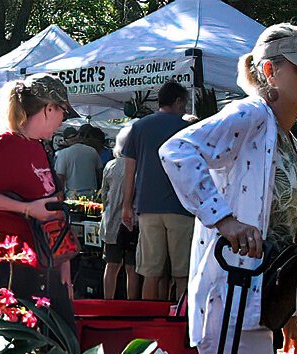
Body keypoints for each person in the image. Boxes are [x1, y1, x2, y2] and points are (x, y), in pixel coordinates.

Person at [160, 24, 297, 354]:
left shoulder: (286, 139)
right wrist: (225, 220)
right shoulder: (252, 114)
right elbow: (177, 150)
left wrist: (286, 309)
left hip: (255, 303)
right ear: (270, 71)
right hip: (231, 297)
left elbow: (282, 231)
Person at [0, 73, 80, 324]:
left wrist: (63, 260)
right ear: (49, 109)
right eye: (62, 113)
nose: (62, 121)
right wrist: (25, 208)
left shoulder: (37, 146)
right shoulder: (5, 144)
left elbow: (51, 207)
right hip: (16, 264)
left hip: (47, 263)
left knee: (61, 346)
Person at [123, 81, 194, 301]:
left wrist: (126, 205)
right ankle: (182, 324)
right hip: (181, 207)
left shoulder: (139, 127)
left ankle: (147, 326)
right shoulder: (188, 128)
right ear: (178, 101)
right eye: (185, 102)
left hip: (147, 207)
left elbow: (129, 169)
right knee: (182, 274)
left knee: (150, 273)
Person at [100, 125, 140, 300]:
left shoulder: (111, 166)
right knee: (132, 268)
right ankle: (131, 305)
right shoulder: (140, 166)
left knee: (112, 265)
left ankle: (108, 302)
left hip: (111, 222)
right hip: (134, 222)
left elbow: (104, 195)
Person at [53, 127, 102, 198]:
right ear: (78, 136)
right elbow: (99, 173)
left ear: (65, 140)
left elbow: (60, 177)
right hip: (92, 192)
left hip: (73, 194)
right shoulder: (92, 151)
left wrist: (60, 193)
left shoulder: (63, 154)